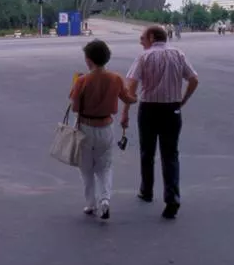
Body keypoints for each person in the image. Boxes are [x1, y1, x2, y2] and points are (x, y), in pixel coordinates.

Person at [120, 26, 199, 219]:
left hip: (148, 109)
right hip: (172, 109)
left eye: (142, 38)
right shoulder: (178, 54)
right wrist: (183, 99)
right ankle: (172, 199)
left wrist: (125, 111)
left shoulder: (144, 57)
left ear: (152, 37)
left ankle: (146, 190)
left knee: (147, 152)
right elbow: (194, 79)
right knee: (170, 154)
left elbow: (132, 86)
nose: (141, 42)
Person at [69, 39, 137, 220]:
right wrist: (135, 95)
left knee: (86, 168)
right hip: (106, 127)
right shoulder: (116, 78)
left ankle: (90, 204)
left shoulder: (82, 80)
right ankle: (105, 200)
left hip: (85, 128)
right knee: (105, 166)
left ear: (88, 59)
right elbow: (129, 99)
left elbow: (75, 108)